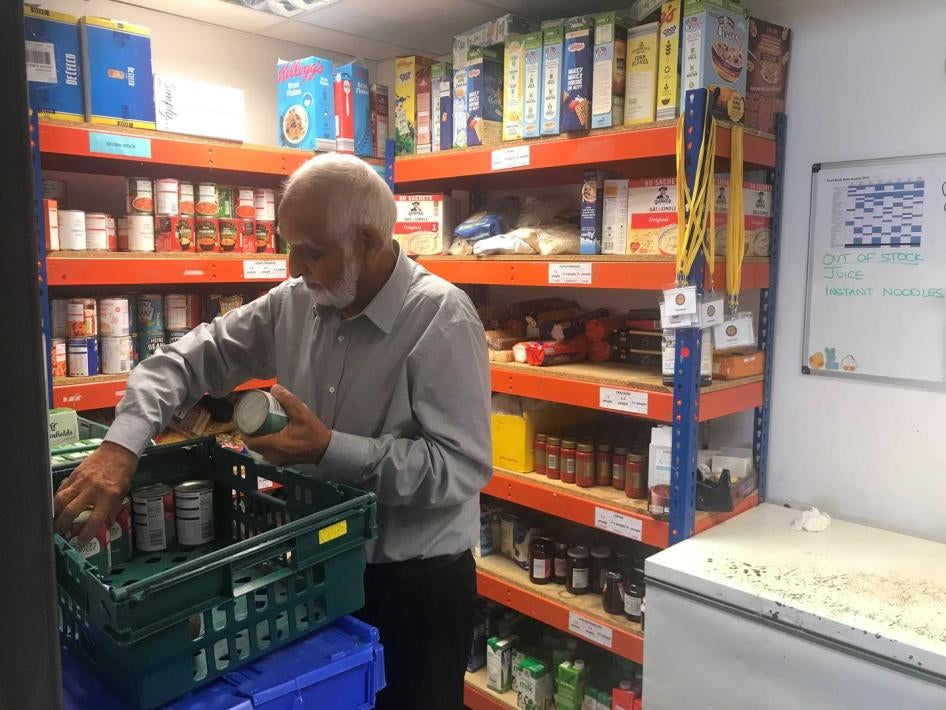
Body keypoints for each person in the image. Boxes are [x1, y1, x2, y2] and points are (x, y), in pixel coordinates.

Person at [54, 153, 492, 709]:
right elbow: (182, 364)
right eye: (288, 244)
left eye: (311, 250)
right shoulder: (295, 304)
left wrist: (330, 450)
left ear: (368, 241)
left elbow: (461, 466)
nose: (291, 266)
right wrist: (120, 446)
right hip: (318, 573)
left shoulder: (441, 318)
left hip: (415, 590)